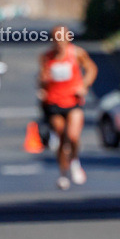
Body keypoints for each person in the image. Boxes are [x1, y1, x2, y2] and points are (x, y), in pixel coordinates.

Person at [38, 25, 97, 190]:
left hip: (73, 101)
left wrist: (84, 85)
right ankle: (63, 173)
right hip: (54, 101)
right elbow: (42, 79)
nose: (60, 42)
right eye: (56, 39)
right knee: (61, 137)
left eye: (62, 38)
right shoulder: (46, 57)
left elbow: (92, 69)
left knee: (73, 136)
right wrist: (43, 85)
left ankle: (75, 162)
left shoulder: (77, 53)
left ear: (68, 38)